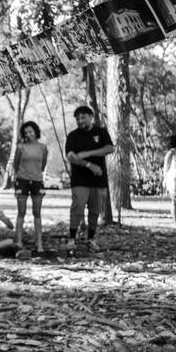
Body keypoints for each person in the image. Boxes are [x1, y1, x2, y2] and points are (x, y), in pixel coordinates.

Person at [64, 105, 114, 251]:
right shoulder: (73, 136)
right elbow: (71, 156)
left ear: (91, 117)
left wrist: (88, 153)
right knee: (77, 208)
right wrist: (88, 165)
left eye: (83, 117)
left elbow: (109, 148)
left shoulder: (101, 132)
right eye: (77, 119)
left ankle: (91, 239)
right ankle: (72, 239)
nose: (80, 121)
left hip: (98, 180)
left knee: (95, 211)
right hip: (80, 180)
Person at [13, 121, 48, 253]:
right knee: (21, 212)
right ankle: (19, 241)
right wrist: (17, 179)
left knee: (37, 213)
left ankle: (39, 243)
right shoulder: (20, 147)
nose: (28, 134)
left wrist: (35, 173)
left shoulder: (43, 147)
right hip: (22, 181)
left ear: (35, 132)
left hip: (37, 182)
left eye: (30, 131)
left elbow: (43, 165)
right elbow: (15, 165)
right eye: (26, 132)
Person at [163, 131, 176, 227]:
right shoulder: (171, 152)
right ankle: (175, 222)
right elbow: (166, 166)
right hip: (174, 176)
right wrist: (165, 178)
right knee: (175, 200)